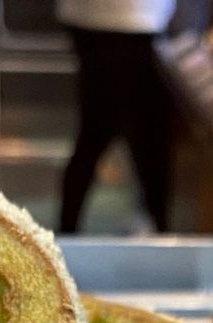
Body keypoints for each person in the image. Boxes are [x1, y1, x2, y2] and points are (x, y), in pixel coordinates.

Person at [57, 0, 176, 233]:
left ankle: (66, 231)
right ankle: (159, 229)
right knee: (138, 139)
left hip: (112, 20)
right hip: (125, 22)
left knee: (103, 135)